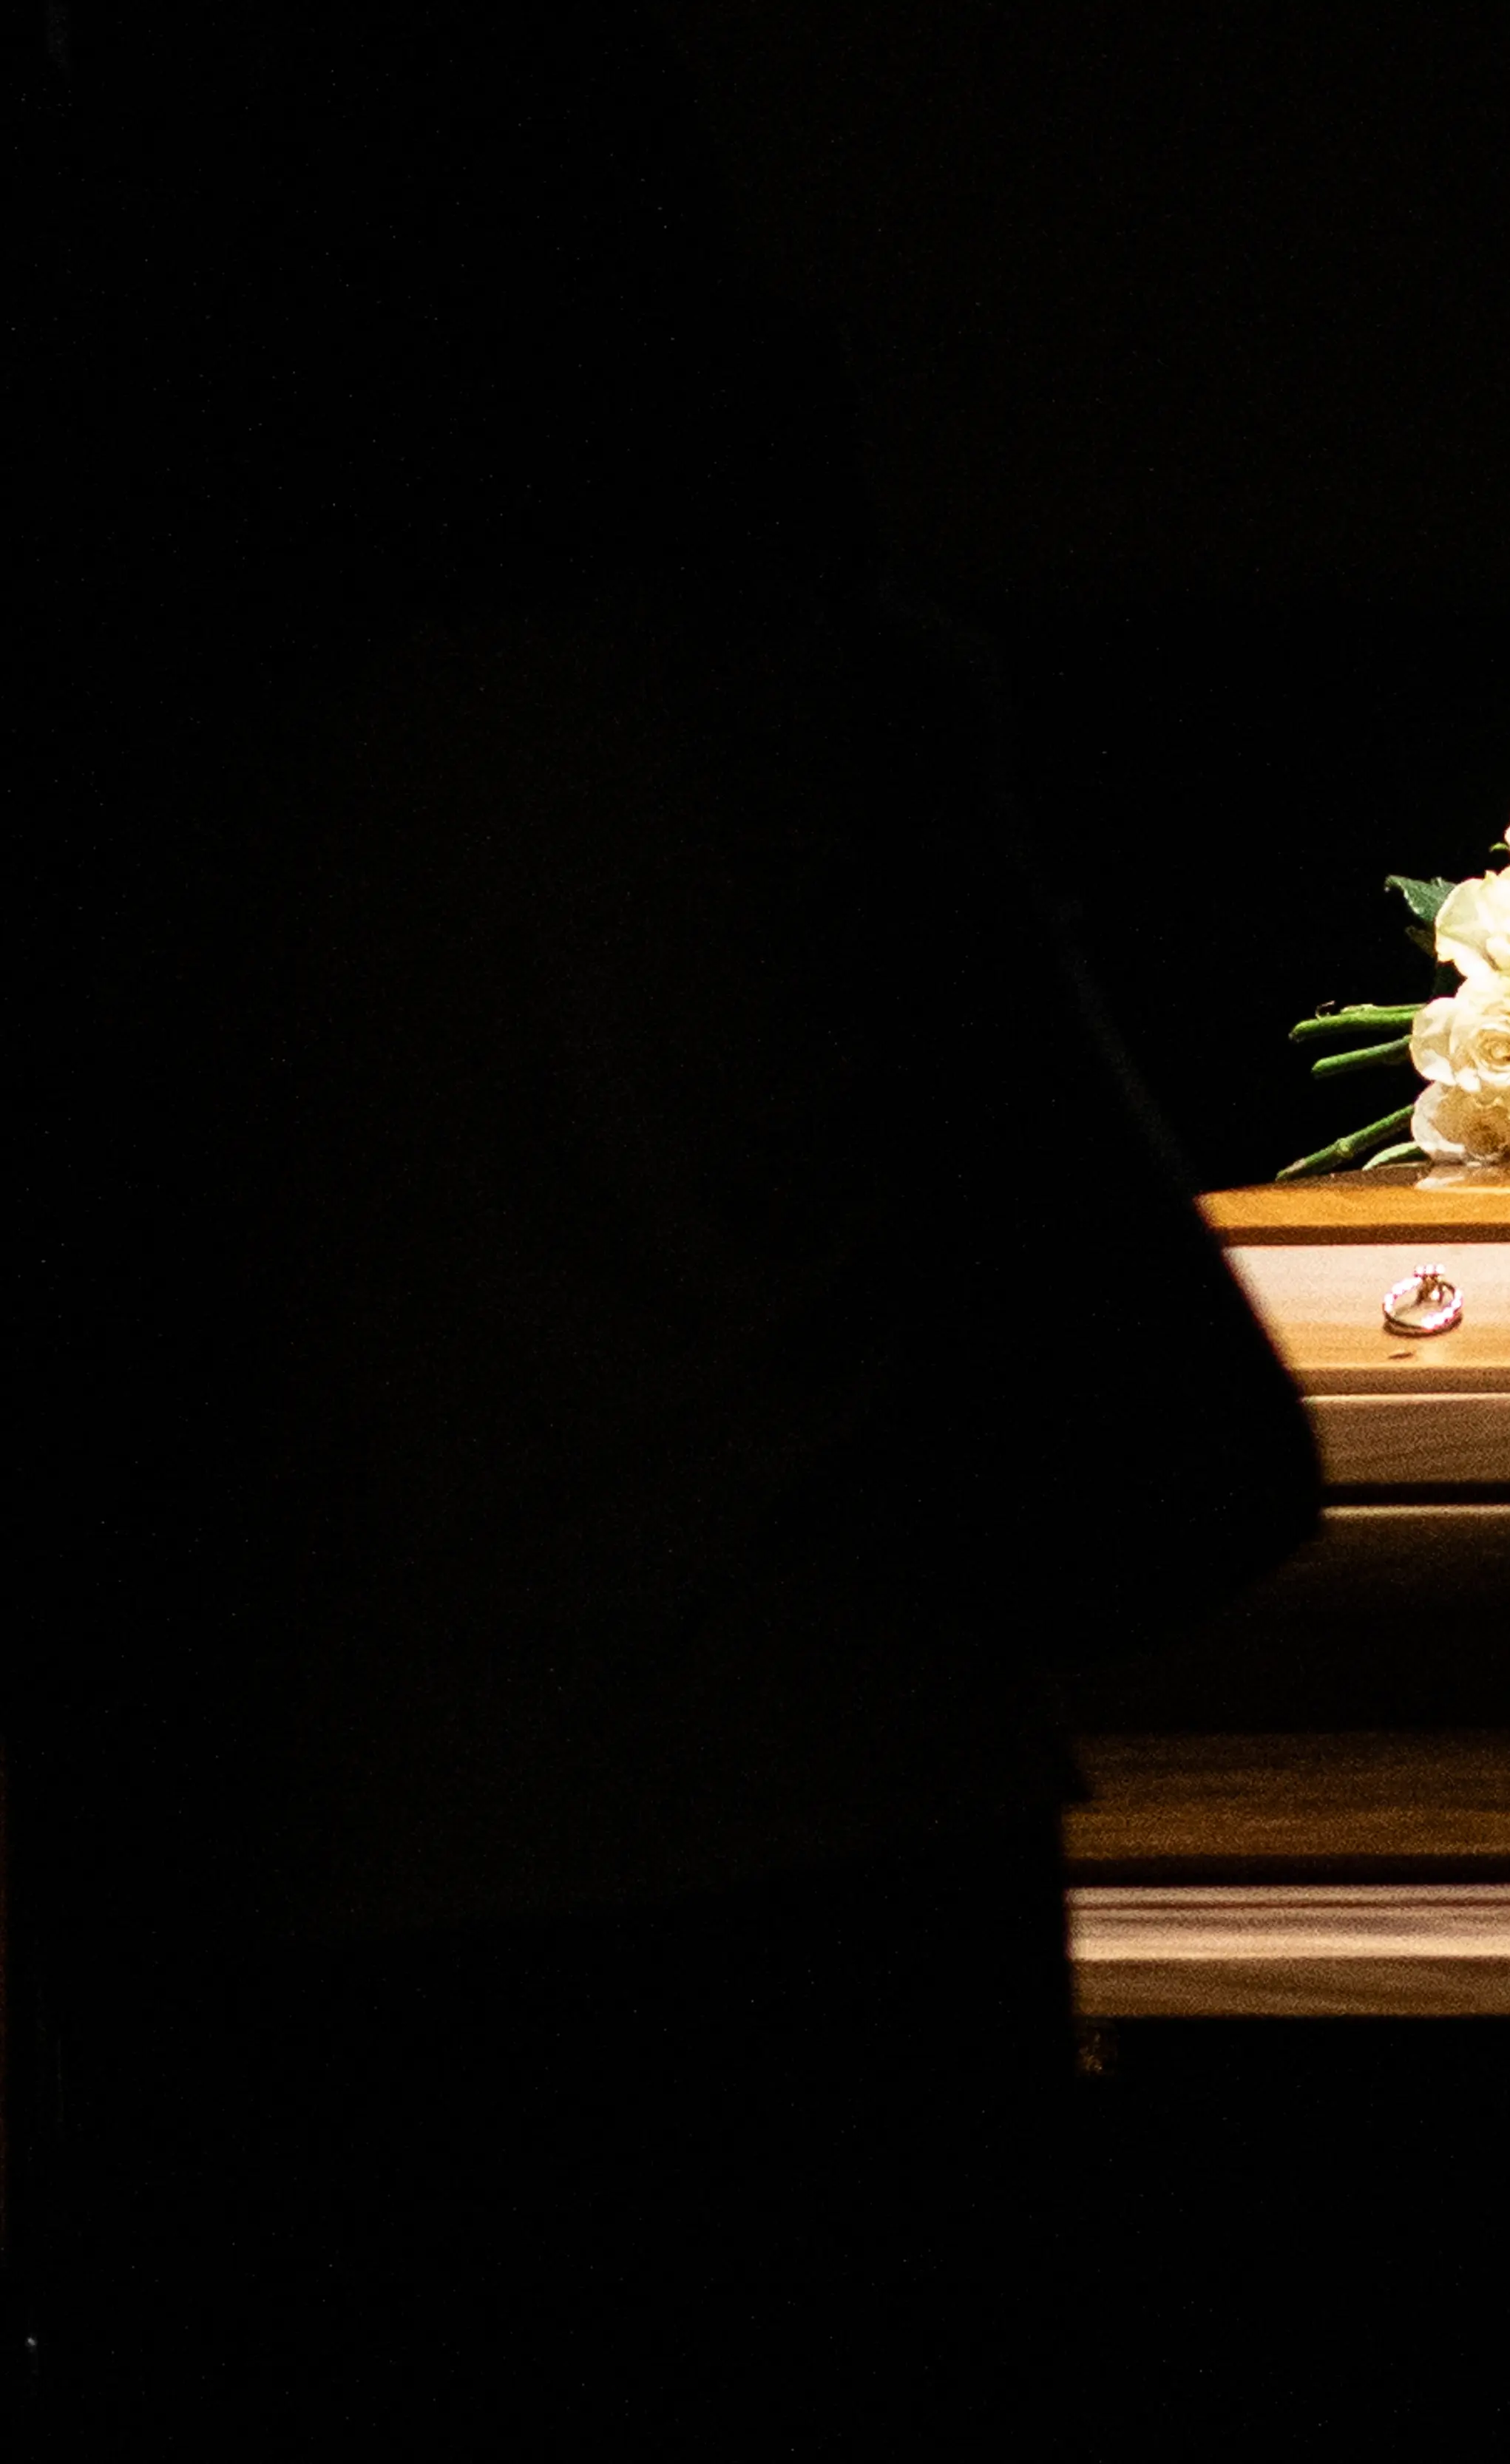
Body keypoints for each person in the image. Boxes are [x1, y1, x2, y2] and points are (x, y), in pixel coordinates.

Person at [14, 7, 1320, 2449]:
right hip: (825, 1944)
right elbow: (1188, 1455)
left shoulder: (116, 787)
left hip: (289, 1980)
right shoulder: (819, 730)